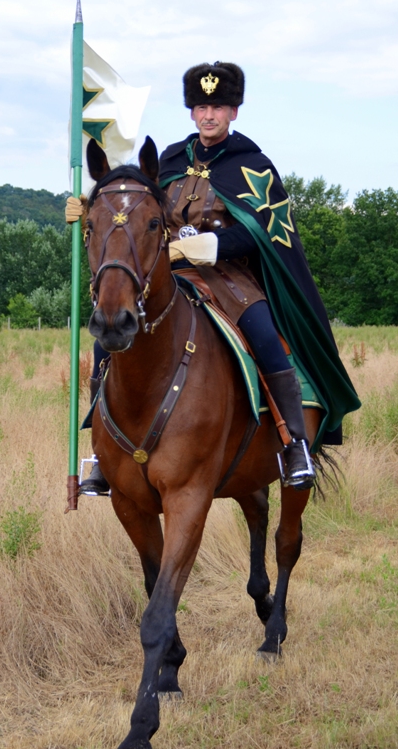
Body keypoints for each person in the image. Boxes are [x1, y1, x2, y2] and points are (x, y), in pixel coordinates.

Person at [68, 61, 360, 496]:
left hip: (230, 277)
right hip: (169, 274)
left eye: (219, 107)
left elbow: (268, 232)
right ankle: (103, 454)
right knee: (106, 336)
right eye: (202, 107)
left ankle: (294, 444)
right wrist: (86, 206)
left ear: (234, 112)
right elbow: (130, 211)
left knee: (263, 333)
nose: (209, 115)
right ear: (191, 112)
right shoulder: (167, 160)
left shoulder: (253, 166)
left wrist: (213, 246)